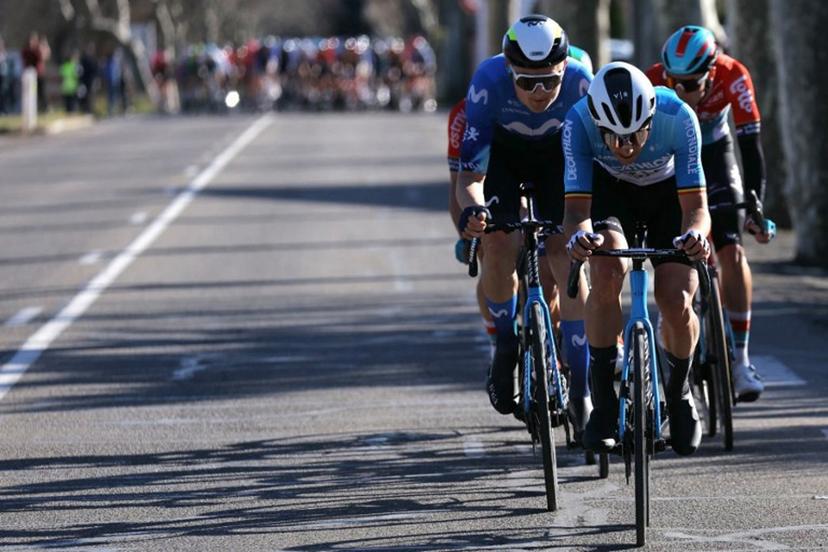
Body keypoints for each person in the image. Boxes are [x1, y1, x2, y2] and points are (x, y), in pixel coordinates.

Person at [563, 62, 710, 456]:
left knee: (676, 300)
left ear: (650, 117)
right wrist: (580, 237)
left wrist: (696, 235)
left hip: (667, 196)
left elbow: (696, 207)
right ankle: (604, 403)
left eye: (634, 134)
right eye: (611, 135)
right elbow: (576, 213)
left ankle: (679, 394)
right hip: (612, 194)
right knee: (607, 271)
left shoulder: (678, 116)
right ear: (597, 122)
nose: (624, 147)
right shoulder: (577, 123)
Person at [456, 15, 594, 433]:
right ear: (508, 70)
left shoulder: (582, 82)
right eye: (527, 81)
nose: (540, 92)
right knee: (498, 243)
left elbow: (594, 168)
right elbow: (469, 177)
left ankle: (583, 388)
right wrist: (474, 212)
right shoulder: (488, 80)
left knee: (565, 254)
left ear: (565, 70)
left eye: (550, 81)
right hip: (504, 156)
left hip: (560, 156)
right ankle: (505, 341)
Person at [646, 26, 770, 402]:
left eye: (689, 83)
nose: (679, 91)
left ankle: (742, 359)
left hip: (715, 151)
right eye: (673, 82)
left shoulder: (734, 74)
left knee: (732, 251)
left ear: (712, 72)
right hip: (670, 159)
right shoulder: (651, 81)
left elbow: (750, 145)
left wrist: (755, 206)